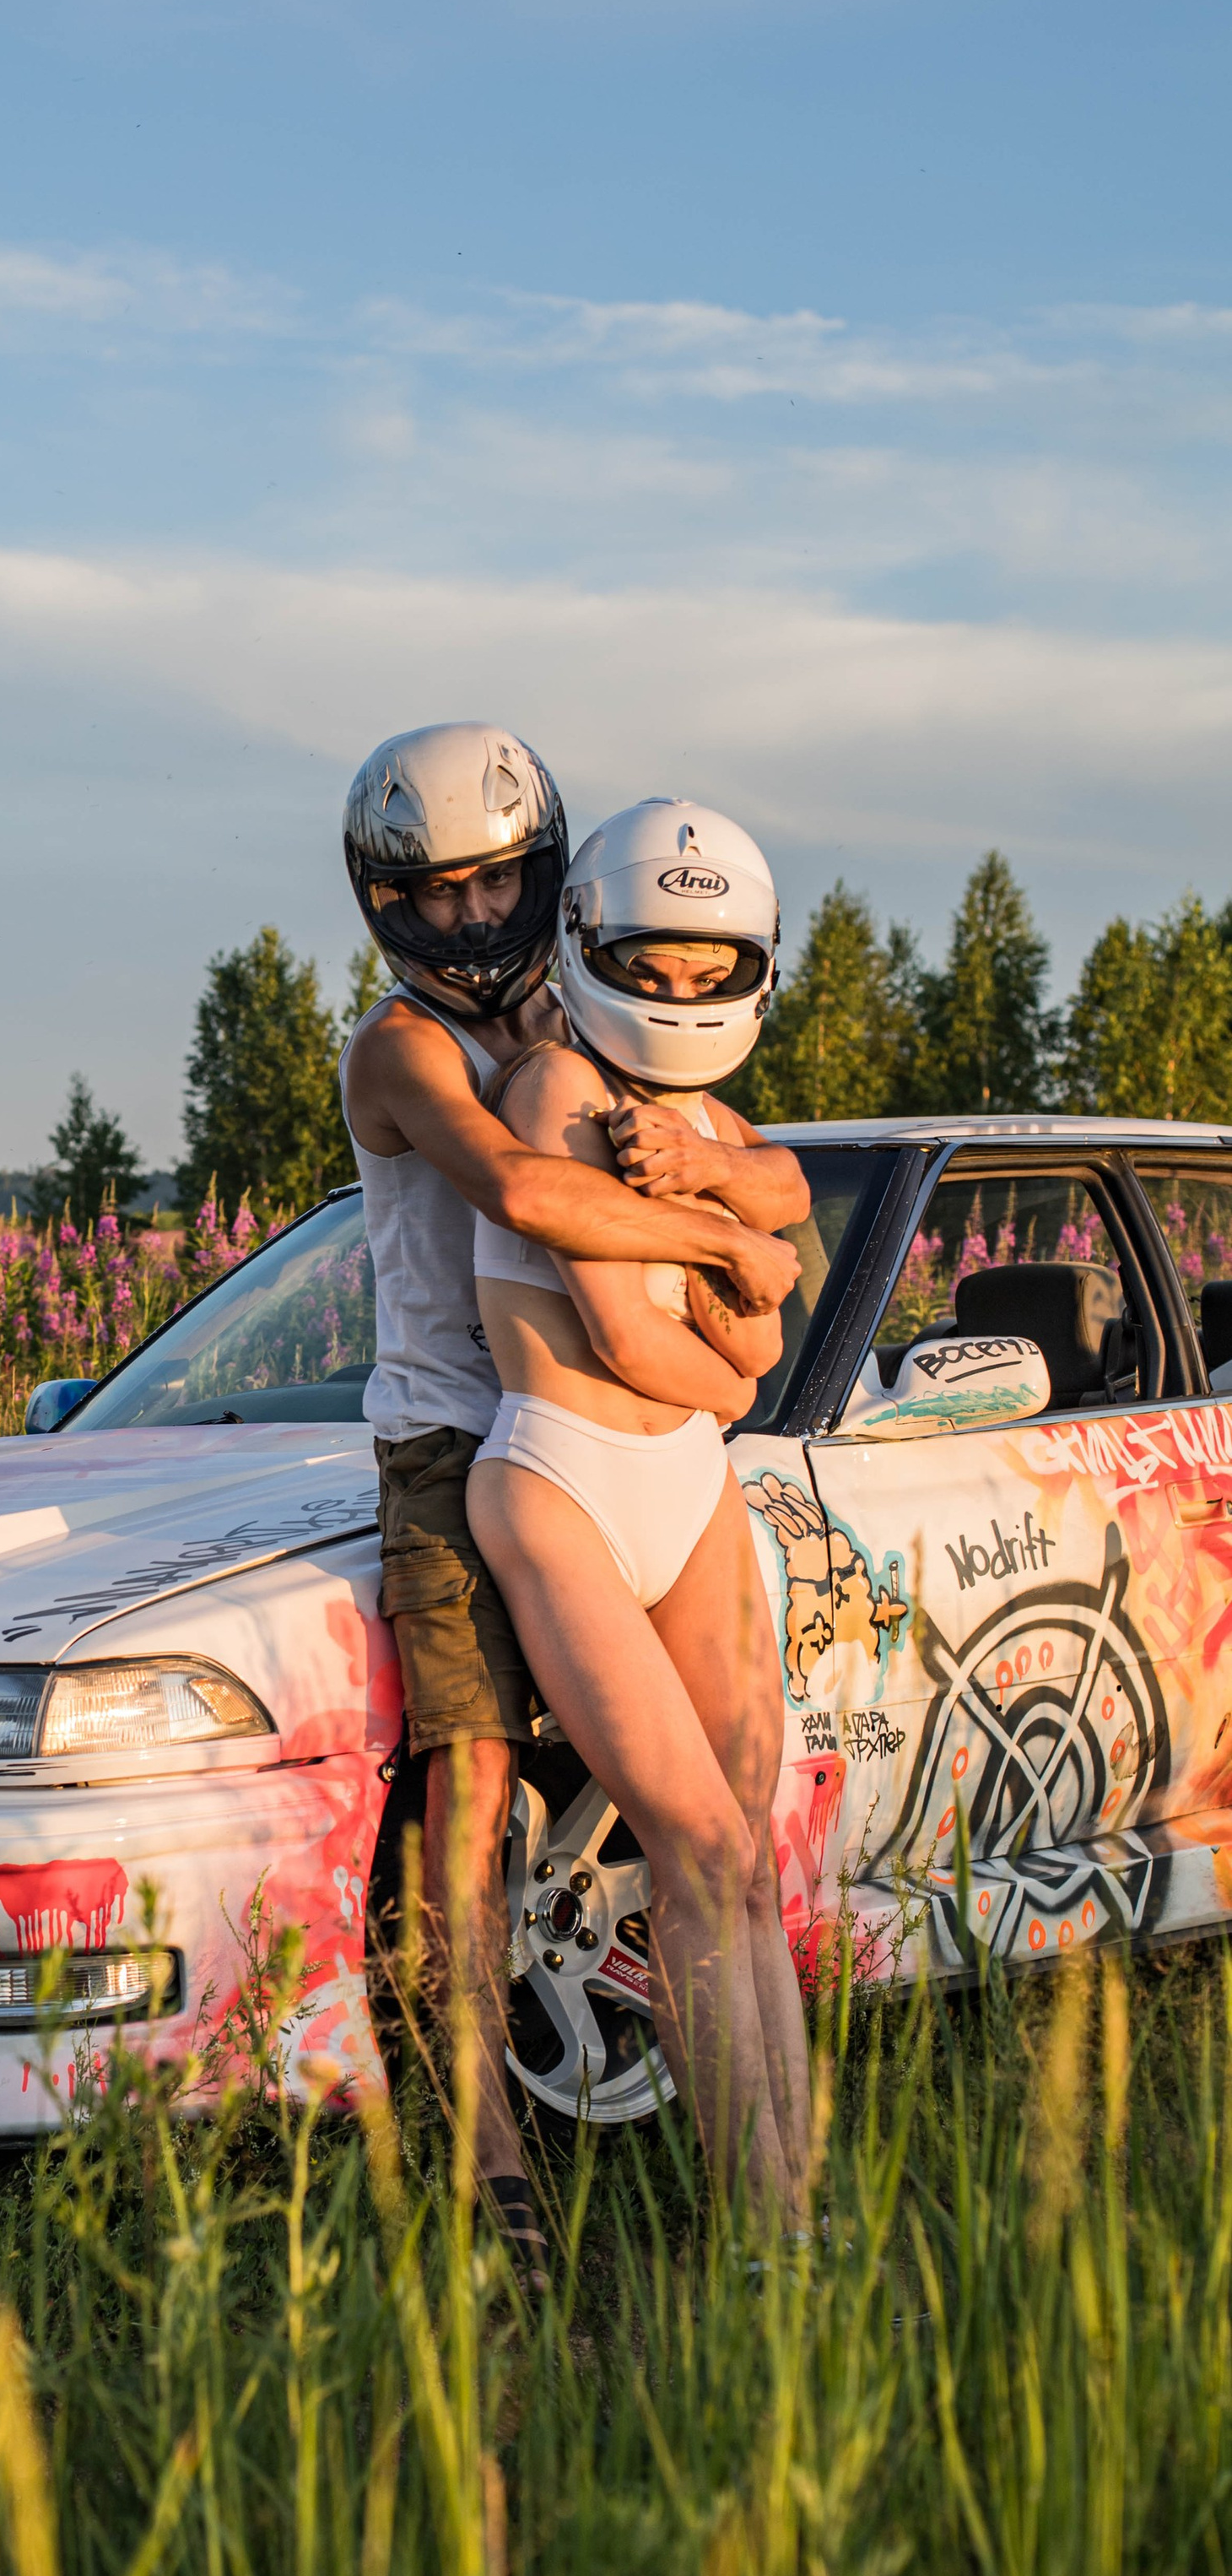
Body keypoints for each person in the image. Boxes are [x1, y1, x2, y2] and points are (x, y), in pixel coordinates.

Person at [338, 729, 802, 2266]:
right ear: (382, 905)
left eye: (494, 890)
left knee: (704, 1837)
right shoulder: (405, 1050)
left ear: (549, 881)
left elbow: (775, 1173)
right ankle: (489, 2175)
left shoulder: (597, 1021)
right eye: (432, 899)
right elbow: (529, 1196)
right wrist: (739, 1250)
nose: (467, 925)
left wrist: (729, 1190)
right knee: (470, 1804)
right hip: (453, 1438)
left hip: (625, 1452)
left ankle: (751, 2185)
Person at [463, 798, 814, 2222]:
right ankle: (761, 2231)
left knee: (747, 1854)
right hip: (565, 1478)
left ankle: (794, 2202)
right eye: (650, 965)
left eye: (703, 970)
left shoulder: (714, 1123)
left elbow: (777, 1260)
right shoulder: (556, 1094)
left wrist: (742, 1246)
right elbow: (636, 1343)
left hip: (685, 1489)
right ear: (597, 944)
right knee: (703, 1851)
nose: (675, 995)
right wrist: (744, 1308)